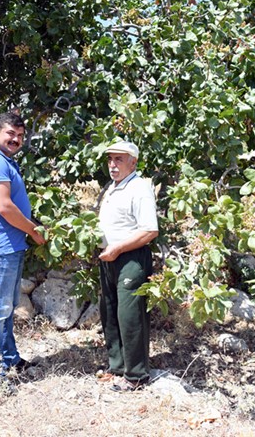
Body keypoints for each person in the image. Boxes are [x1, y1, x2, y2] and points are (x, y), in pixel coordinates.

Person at [0, 111, 46, 378]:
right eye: (10, 133)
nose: (15, 139)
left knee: (7, 306)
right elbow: (4, 207)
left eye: (20, 135)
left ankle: (10, 359)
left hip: (9, 246)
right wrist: (34, 230)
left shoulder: (5, 161)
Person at [97, 141, 158, 392]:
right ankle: (117, 367)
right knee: (109, 310)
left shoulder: (139, 188)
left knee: (130, 315)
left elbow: (149, 230)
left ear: (133, 162)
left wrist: (118, 248)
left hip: (130, 258)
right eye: (110, 159)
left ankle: (136, 375)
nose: (113, 165)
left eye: (119, 159)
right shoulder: (112, 188)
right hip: (109, 257)